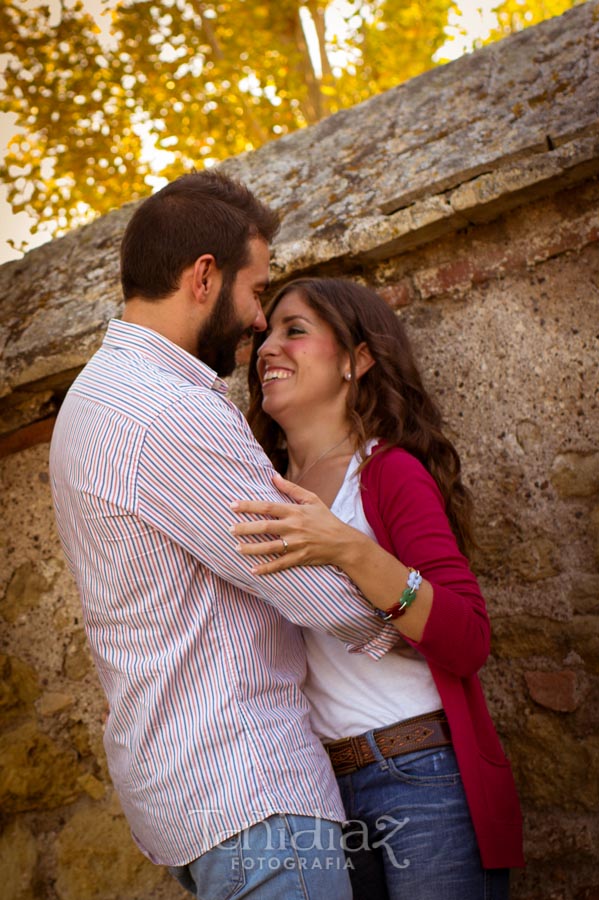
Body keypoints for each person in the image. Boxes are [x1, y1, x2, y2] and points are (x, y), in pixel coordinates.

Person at [49, 174, 405, 900]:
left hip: (191, 794)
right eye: (255, 292)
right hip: (251, 790)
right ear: (203, 277)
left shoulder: (90, 401)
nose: (258, 320)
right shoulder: (170, 410)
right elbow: (301, 578)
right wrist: (401, 620)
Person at [230, 276, 524, 899]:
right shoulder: (256, 490)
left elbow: (468, 639)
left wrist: (349, 548)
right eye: (267, 333)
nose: (267, 349)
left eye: (296, 331)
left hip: (422, 777)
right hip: (318, 797)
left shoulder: (388, 471)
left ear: (356, 360)